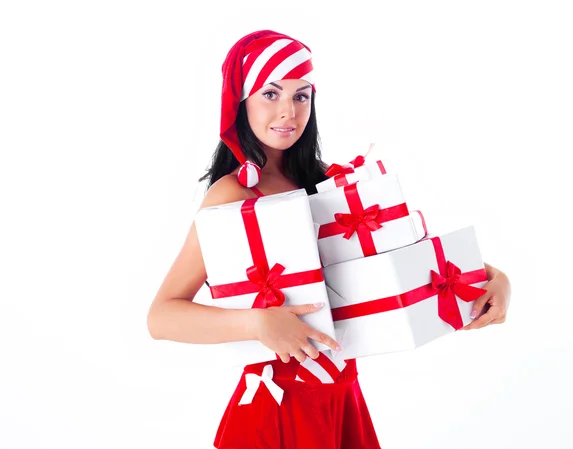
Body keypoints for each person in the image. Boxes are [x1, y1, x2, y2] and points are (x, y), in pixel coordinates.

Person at [146, 30, 512, 449]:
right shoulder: (233, 194)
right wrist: (256, 321)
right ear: (240, 101)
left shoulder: (328, 181)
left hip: (342, 398)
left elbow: (403, 265)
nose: (288, 112)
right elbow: (162, 316)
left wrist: (495, 278)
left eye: (301, 96)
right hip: (276, 409)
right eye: (270, 93)